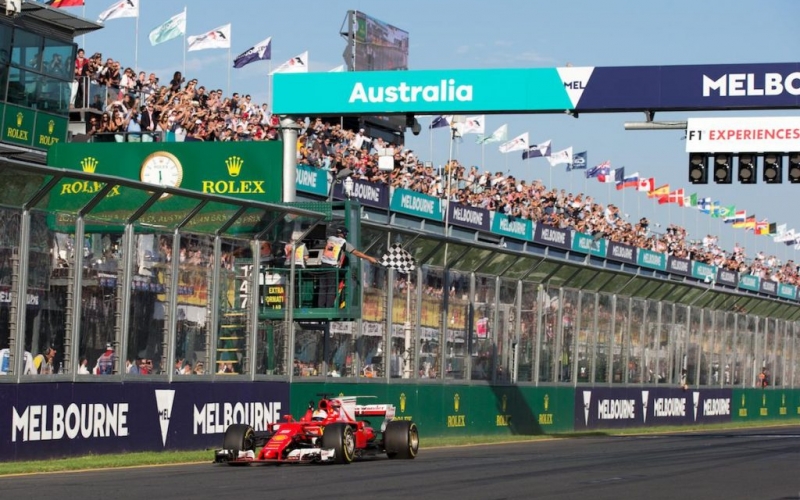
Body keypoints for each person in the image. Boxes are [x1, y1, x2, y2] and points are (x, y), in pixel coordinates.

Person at [317, 227, 378, 308]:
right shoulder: (343, 243)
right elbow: (356, 253)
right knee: (331, 289)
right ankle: (329, 308)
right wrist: (369, 258)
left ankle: (320, 307)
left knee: (322, 288)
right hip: (332, 267)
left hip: (323, 265)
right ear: (344, 234)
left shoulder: (329, 239)